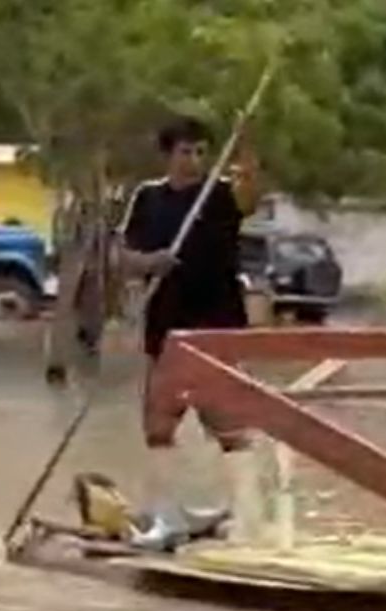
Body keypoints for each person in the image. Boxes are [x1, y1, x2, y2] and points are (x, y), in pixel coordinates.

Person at [115, 115, 261, 548]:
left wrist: (247, 147)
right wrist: (149, 263)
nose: (194, 161)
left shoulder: (219, 196)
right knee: (158, 425)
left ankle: (249, 520)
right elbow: (122, 256)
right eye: (185, 152)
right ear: (167, 154)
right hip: (167, 326)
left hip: (218, 326)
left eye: (201, 152)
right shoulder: (148, 198)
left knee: (230, 425)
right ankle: (166, 517)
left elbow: (249, 198)